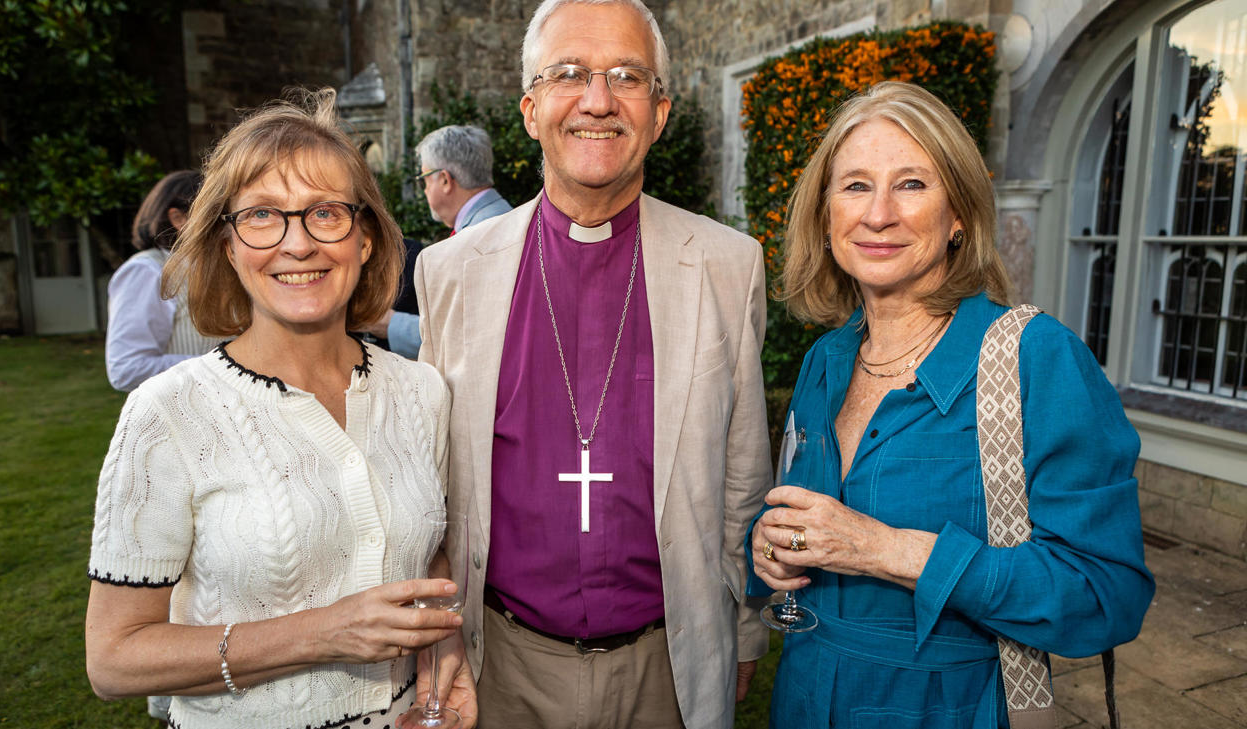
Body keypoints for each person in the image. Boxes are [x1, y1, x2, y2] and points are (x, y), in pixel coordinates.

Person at [747, 81, 1154, 729]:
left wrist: (888, 549)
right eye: (854, 186)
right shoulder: (826, 358)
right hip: (804, 695)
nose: (878, 213)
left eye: (911, 184)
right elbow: (804, 521)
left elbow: (1107, 595)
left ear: (958, 214)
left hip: (946, 708)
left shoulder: (1036, 358)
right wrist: (768, 547)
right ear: (825, 216)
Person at [415, 1, 771, 727]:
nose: (598, 100)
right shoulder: (450, 272)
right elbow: (429, 483)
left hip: (666, 663)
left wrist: (747, 627)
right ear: (531, 109)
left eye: (627, 77)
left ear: (659, 113)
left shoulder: (728, 265)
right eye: (569, 73)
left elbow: (744, 470)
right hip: (500, 665)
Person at [84, 88, 476, 729]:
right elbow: (114, 659)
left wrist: (442, 652)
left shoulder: (421, 392)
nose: (298, 244)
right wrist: (320, 633)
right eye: (263, 215)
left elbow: (426, 555)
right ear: (228, 245)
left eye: (326, 213)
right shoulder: (169, 412)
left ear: (366, 239)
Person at [378, 125, 513, 359]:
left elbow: (465, 338)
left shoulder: (477, 240)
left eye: (424, 180)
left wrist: (387, 323)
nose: (424, 191)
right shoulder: (502, 218)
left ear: (444, 180)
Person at [105, 170, 220, 392]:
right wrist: (219, 366)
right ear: (178, 219)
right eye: (214, 213)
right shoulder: (148, 271)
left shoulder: (217, 267)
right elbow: (126, 369)